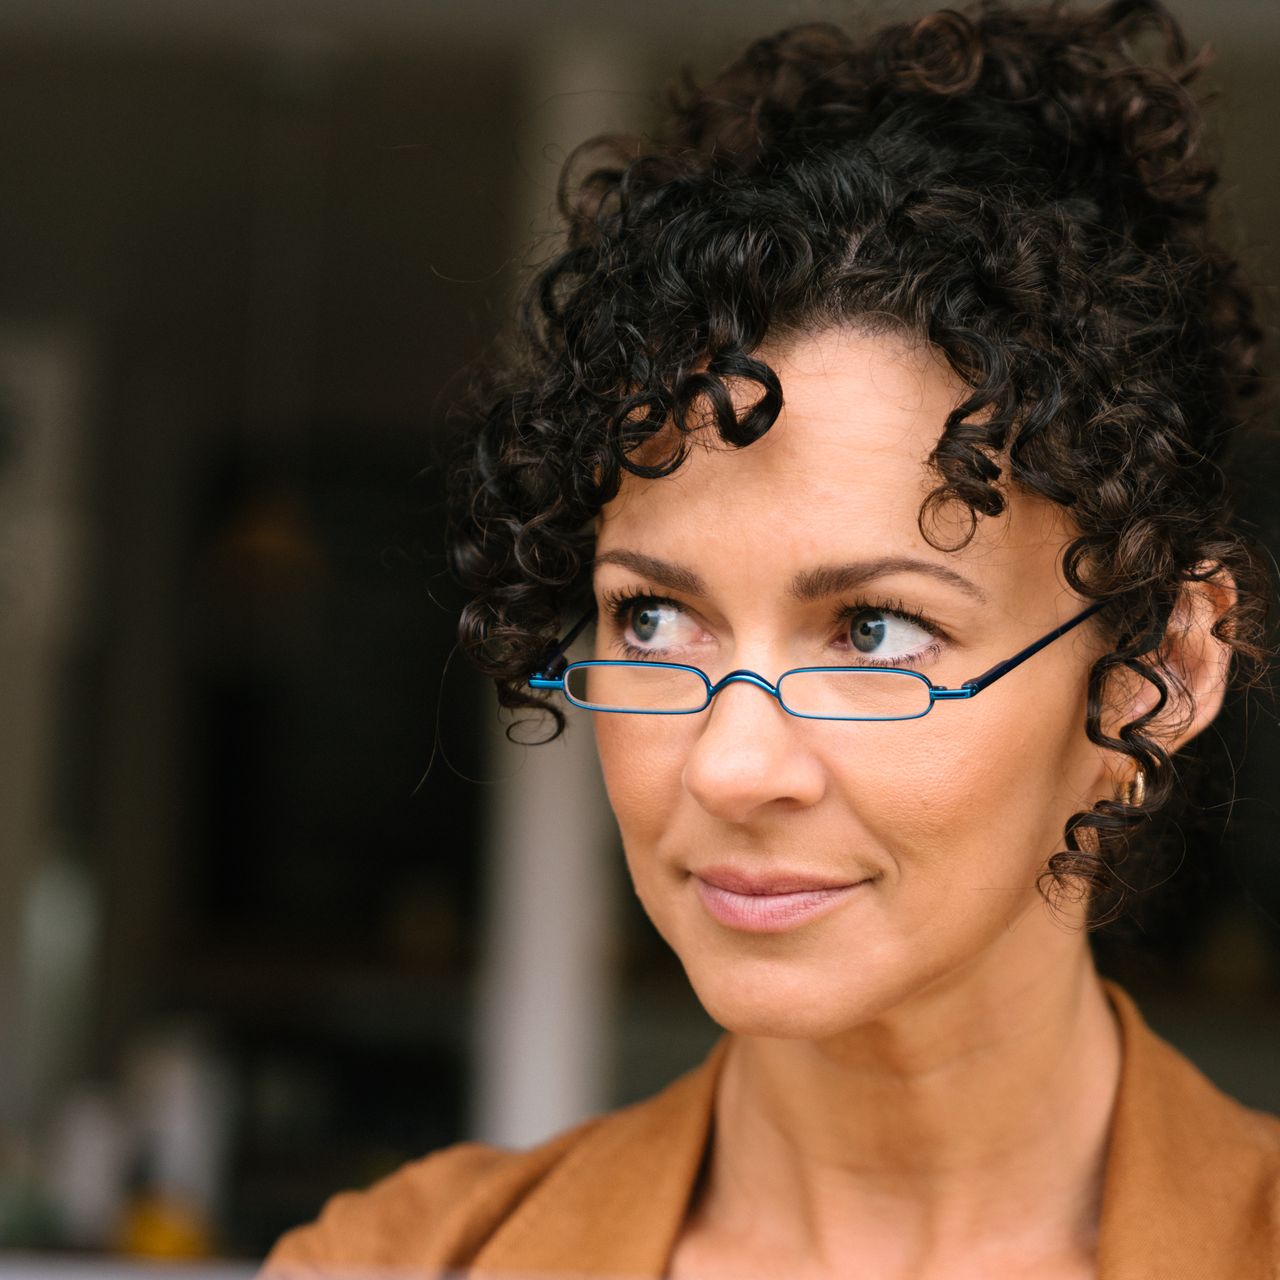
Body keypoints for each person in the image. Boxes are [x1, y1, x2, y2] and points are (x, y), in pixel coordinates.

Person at [264, 0, 1280, 1276]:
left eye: (874, 627)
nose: (727, 765)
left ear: (1161, 671)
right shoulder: (405, 1261)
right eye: (653, 615)